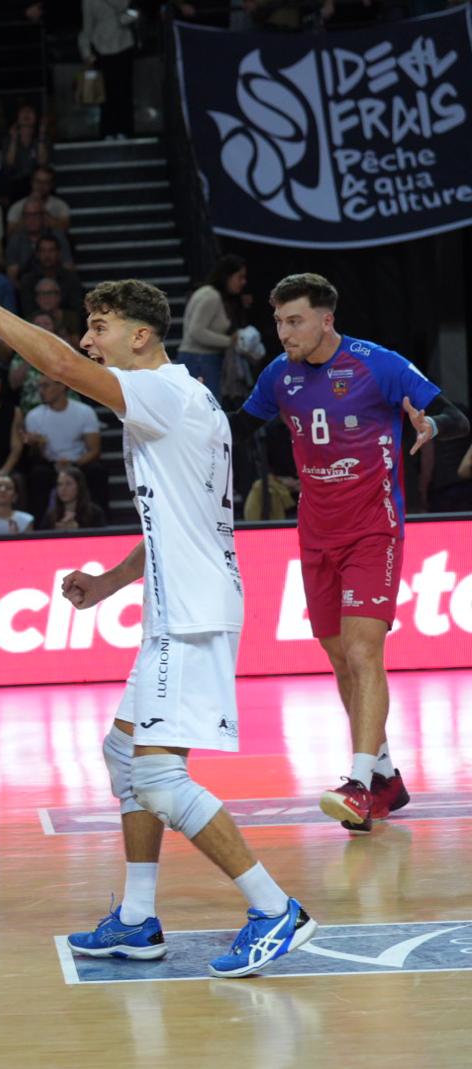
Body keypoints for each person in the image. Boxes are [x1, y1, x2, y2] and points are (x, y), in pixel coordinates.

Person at [0, 227, 317, 978]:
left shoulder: (158, 389)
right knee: (126, 753)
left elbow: (52, 363)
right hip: (178, 602)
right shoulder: (177, 399)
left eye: (99, 326)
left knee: (156, 775)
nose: (88, 339)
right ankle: (135, 919)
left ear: (142, 334)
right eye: (86, 325)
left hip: (191, 612)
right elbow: (180, 522)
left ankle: (272, 906)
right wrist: (110, 582)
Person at [232, 273, 469, 832]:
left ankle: (360, 784)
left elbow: (458, 418)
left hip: (372, 527)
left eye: (294, 321)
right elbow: (239, 426)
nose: (283, 333)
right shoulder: (278, 375)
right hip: (315, 531)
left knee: (364, 655)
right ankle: (386, 776)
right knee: (340, 660)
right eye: (278, 322)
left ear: (325, 320)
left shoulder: (376, 364)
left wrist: (429, 423)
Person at [25, 378, 106, 512]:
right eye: (39, 387)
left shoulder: (85, 412)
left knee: (97, 471)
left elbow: (94, 450)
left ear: (62, 386)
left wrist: (73, 464)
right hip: (50, 464)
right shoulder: (33, 416)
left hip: (78, 462)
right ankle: (41, 526)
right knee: (38, 474)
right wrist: (35, 445)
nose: (41, 391)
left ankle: (101, 521)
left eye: (45, 386)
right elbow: (38, 455)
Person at [179, 254, 249, 400]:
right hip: (200, 361)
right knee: (208, 410)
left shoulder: (208, 293)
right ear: (227, 276)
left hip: (200, 360)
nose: (243, 282)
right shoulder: (211, 296)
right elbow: (196, 331)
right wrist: (231, 341)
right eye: (239, 277)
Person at [81, 0, 137, 140]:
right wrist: (86, 52)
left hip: (123, 44)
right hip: (102, 48)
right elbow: (87, 26)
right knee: (105, 93)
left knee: (124, 91)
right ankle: (108, 131)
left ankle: (125, 130)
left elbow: (128, 7)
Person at [38, 466, 108, 530]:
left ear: (79, 486)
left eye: (68, 484)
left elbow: (102, 541)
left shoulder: (95, 513)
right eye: (60, 484)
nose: (63, 489)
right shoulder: (51, 515)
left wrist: (77, 531)